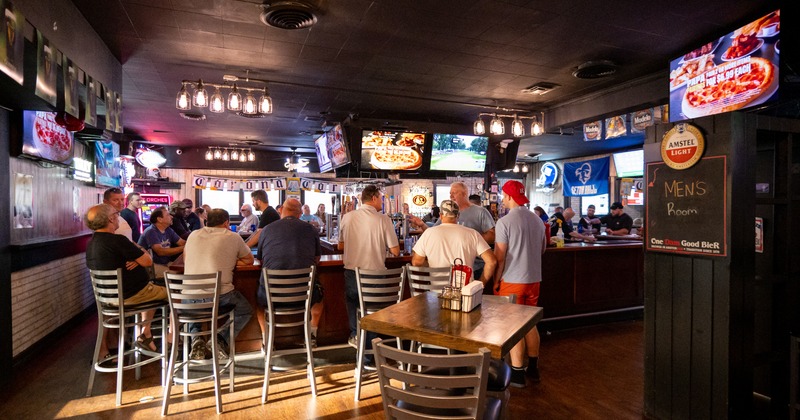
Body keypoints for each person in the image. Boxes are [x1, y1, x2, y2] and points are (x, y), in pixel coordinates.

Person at [84, 203, 167, 359]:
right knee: (176, 293)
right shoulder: (118, 240)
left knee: (152, 290)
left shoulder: (92, 243)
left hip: (109, 299)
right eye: (116, 214)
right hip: (133, 295)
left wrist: (135, 258)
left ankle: (146, 334)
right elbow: (148, 261)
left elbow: (127, 259)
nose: (118, 218)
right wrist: (139, 251)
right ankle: (171, 340)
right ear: (110, 219)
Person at [493, 180, 547, 387]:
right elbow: (543, 249)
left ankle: (516, 373)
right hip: (534, 279)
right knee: (530, 323)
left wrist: (496, 280)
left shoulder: (504, 222)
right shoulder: (538, 220)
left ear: (507, 197)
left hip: (512, 280)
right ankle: (533, 368)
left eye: (503, 197)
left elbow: (500, 256)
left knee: (513, 326)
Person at [183, 208, 254, 360]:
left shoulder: (193, 235)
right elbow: (249, 260)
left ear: (207, 221)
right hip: (220, 296)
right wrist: (230, 259)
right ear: (226, 223)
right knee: (245, 310)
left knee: (194, 308)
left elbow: (185, 259)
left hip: (188, 297)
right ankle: (219, 339)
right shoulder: (232, 236)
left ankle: (197, 340)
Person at [338, 185, 400, 349]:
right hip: (374, 275)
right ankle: (369, 352)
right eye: (380, 198)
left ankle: (356, 335)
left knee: (354, 303)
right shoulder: (383, 219)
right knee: (371, 311)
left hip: (352, 273)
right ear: (373, 198)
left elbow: (340, 246)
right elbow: (395, 251)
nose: (381, 201)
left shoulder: (348, 217)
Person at [257, 198, 325, 346]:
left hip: (272, 296)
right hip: (304, 296)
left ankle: (266, 339)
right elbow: (317, 258)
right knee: (318, 300)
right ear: (300, 213)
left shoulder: (267, 229)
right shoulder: (311, 229)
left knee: (259, 303)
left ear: (281, 209)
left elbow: (260, 259)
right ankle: (311, 335)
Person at [411, 182, 495, 284]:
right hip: (465, 285)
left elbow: (492, 235)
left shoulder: (480, 212)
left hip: (476, 266)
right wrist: (422, 224)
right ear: (458, 216)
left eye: (454, 193)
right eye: (450, 193)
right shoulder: (472, 234)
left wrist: (432, 265)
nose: (451, 196)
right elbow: (435, 231)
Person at [138, 206, 186, 278]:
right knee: (177, 274)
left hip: (165, 263)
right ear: (160, 219)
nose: (172, 217)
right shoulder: (151, 231)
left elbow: (182, 243)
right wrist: (185, 248)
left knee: (186, 270)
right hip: (151, 266)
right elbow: (160, 252)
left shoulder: (168, 230)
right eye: (168, 215)